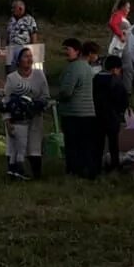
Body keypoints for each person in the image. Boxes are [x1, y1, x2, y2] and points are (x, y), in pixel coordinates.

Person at [4, 45, 50, 180]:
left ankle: (36, 175)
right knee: (16, 146)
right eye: (25, 57)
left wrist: (38, 105)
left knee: (34, 145)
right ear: (18, 60)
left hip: (34, 117)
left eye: (31, 56)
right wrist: (7, 121)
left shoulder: (39, 75)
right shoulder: (12, 78)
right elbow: (6, 101)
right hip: (17, 120)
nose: (29, 59)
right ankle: (15, 172)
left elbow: (46, 96)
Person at [56, 38, 97, 178]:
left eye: (67, 49)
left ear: (77, 51)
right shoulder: (88, 68)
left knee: (72, 145)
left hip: (73, 113)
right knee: (86, 145)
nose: (65, 52)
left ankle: (73, 171)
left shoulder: (73, 68)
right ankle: (88, 171)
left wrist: (57, 96)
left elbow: (66, 92)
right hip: (88, 113)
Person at [93, 55, 129, 173]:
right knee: (113, 144)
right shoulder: (117, 82)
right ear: (115, 69)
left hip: (97, 117)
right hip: (112, 118)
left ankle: (96, 167)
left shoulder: (96, 79)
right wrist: (120, 113)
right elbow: (124, 101)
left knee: (98, 144)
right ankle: (114, 166)